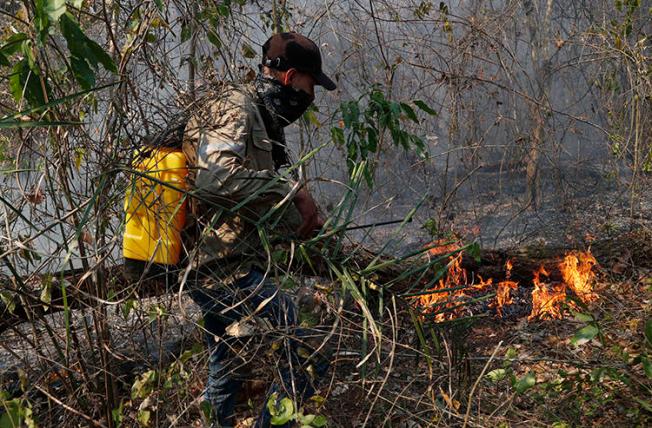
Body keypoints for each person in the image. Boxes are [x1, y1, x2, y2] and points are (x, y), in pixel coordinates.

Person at [181, 32, 336, 427]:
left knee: (226, 364)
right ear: (290, 78)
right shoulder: (236, 107)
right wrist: (291, 192)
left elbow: (247, 198)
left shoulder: (258, 114)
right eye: (310, 84)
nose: (310, 96)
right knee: (305, 349)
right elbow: (215, 182)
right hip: (224, 267)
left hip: (221, 262)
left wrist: (301, 223)